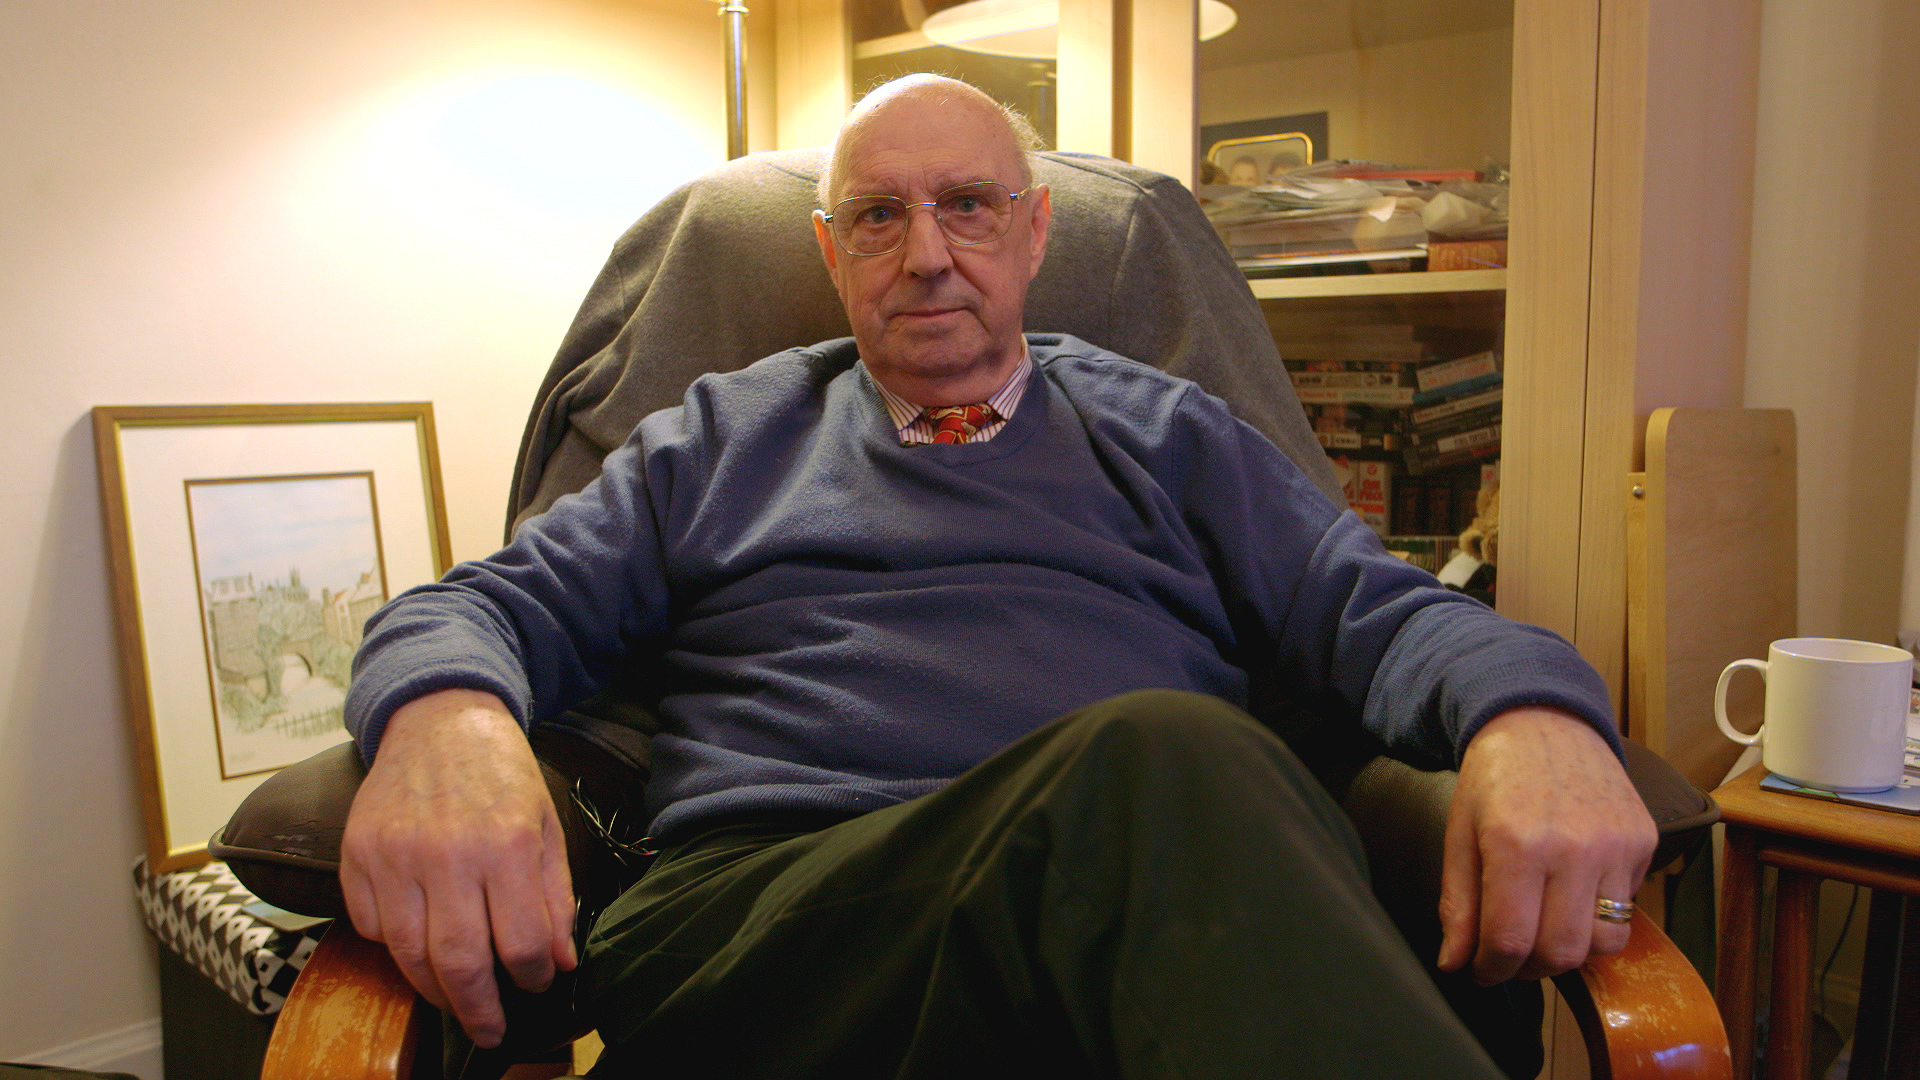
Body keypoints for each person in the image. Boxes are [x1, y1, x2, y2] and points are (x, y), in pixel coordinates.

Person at [340, 74, 1655, 1077]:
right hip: (765, 925)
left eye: (968, 206)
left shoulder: (1167, 433)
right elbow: (482, 605)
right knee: (1163, 760)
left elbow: (1389, 613)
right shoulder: (720, 440)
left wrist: (1532, 713)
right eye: (879, 217)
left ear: (1034, 235)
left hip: (1110, 927)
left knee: (1165, 782)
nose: (927, 254)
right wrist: (445, 718)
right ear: (831, 253)